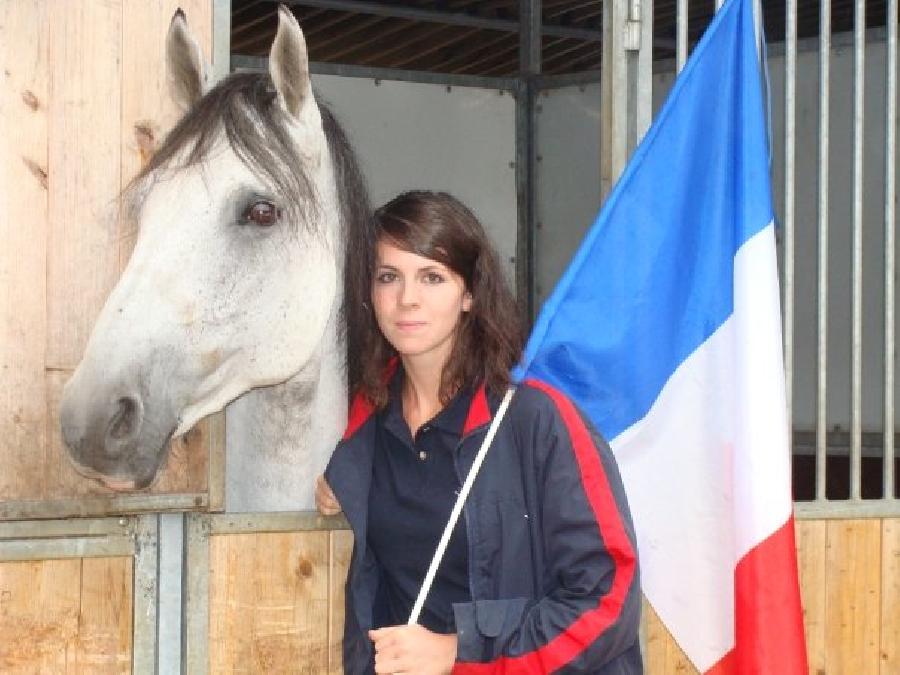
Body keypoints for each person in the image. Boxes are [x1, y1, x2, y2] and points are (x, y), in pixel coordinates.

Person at [317, 191, 642, 674]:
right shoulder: (369, 423)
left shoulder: (537, 420)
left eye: (432, 277)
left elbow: (607, 598)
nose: (408, 298)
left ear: (469, 293)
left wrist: (458, 651)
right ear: (369, 293)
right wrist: (338, 478)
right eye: (389, 277)